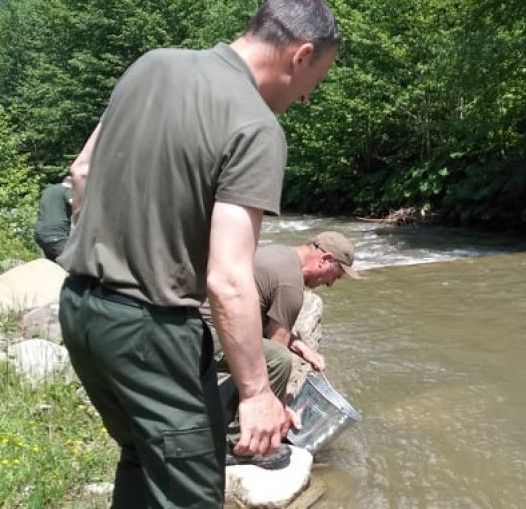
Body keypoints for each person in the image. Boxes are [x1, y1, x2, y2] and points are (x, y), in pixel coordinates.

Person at [56, 1, 340, 507]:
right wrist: (255, 395)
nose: (305, 98)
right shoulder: (255, 126)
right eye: (312, 84)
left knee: (143, 460)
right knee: (191, 494)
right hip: (149, 331)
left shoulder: (152, 64)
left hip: (80, 309)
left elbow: (80, 171)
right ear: (300, 55)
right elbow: (228, 278)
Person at [201, 231, 360, 451]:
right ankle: (243, 444)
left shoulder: (281, 254)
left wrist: (304, 349)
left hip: (198, 327)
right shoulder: (291, 286)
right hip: (208, 337)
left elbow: (268, 328)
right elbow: (276, 351)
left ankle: (224, 422)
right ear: (325, 260)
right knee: (278, 360)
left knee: (269, 356)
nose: (331, 284)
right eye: (337, 275)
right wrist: (281, 409)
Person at [33, 176, 73, 262]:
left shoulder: (47, 190)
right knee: (73, 262)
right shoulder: (66, 189)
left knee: (54, 266)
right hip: (56, 234)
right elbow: (73, 203)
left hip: (40, 234)